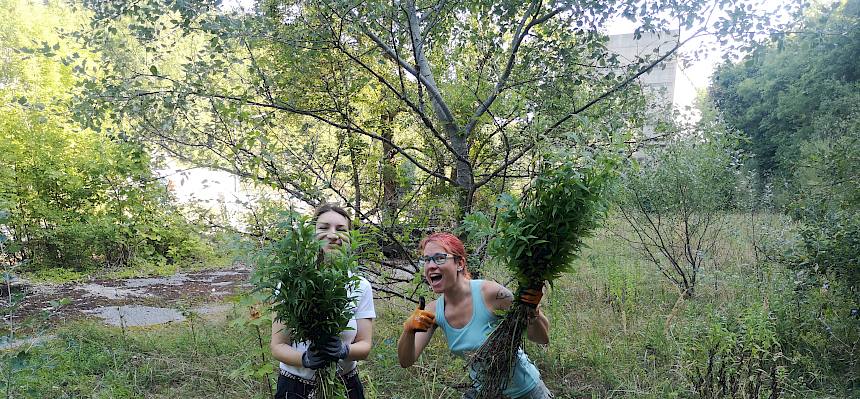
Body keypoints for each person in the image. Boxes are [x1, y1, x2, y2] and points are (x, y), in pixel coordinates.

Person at [397, 232, 553, 399]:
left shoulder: (490, 293)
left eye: (440, 258)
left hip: (527, 392)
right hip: (487, 393)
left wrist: (532, 311)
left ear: (460, 263)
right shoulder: (433, 311)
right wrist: (408, 330)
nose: (431, 266)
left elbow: (541, 338)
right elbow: (406, 361)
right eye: (426, 260)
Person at [270, 204, 376, 399]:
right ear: (310, 233)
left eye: (341, 229)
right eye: (324, 227)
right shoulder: (291, 283)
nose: (333, 235)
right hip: (295, 388)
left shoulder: (361, 286)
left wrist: (345, 350)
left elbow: (365, 346)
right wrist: (304, 359)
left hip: (346, 386)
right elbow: (278, 346)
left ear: (350, 238)